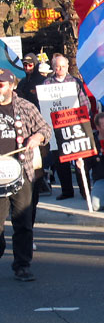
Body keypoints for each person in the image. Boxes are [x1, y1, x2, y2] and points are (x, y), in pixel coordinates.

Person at [0, 69, 52, 281]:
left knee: (23, 222)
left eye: (1, 84)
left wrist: (37, 138)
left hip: (21, 172)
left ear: (11, 85)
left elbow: (46, 129)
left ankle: (22, 265)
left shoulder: (26, 107)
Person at [43, 53, 92, 200]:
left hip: (75, 125)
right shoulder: (47, 84)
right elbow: (44, 106)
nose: (60, 69)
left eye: (63, 66)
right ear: (53, 67)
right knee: (60, 161)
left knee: (79, 160)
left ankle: (85, 190)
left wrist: (80, 119)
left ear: (68, 67)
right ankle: (67, 191)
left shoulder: (75, 82)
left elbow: (85, 104)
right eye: (57, 67)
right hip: (55, 127)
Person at [85, 112, 104, 211]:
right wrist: (81, 164)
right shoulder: (92, 142)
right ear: (98, 127)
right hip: (102, 178)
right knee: (95, 206)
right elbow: (86, 166)